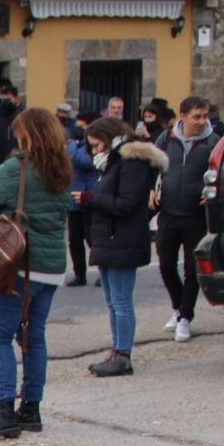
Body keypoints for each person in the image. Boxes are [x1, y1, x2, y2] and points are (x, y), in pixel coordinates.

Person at [0, 107, 70, 441]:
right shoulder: (61, 167)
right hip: (53, 266)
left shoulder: (17, 168)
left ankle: (4, 411)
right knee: (33, 335)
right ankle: (32, 408)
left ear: (26, 135)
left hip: (22, 264)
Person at [82, 116, 166, 378]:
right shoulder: (114, 162)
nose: (95, 151)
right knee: (112, 301)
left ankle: (123, 355)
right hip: (110, 239)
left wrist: (92, 199)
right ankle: (116, 351)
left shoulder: (131, 162)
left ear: (109, 139)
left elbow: (128, 203)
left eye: (97, 145)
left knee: (121, 302)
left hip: (123, 239)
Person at [155, 96, 218, 342]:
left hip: (196, 215)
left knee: (193, 269)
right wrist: (152, 188)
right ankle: (178, 306)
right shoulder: (165, 139)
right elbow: (153, 166)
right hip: (169, 212)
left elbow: (219, 170)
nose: (202, 121)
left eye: (205, 116)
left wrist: (212, 192)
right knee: (166, 264)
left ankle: (185, 317)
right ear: (183, 116)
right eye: (197, 116)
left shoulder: (213, 142)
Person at [65, 116, 98, 287]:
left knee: (91, 238)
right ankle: (79, 274)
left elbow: (85, 162)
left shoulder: (91, 149)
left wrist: (69, 147)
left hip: (89, 196)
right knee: (74, 239)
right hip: (73, 199)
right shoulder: (75, 148)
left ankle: (103, 270)